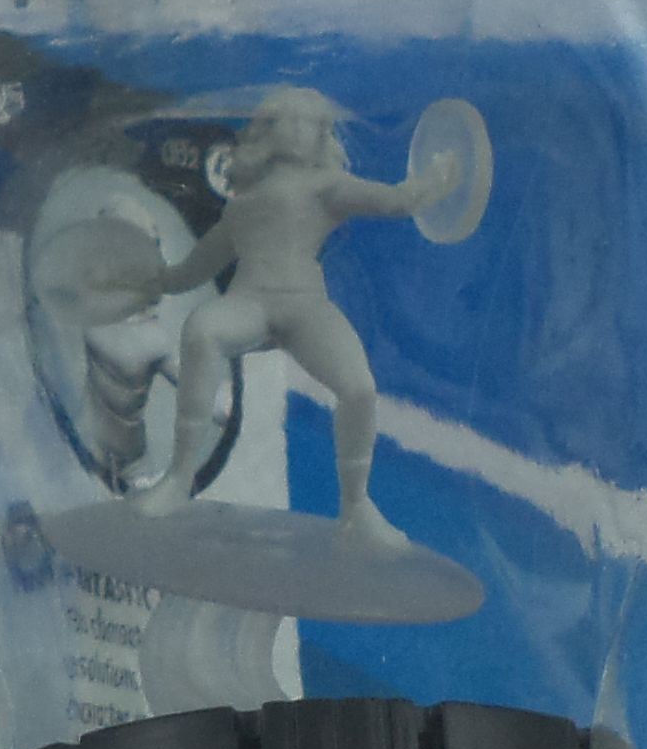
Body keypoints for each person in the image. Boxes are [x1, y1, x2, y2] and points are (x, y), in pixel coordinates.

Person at [132, 86, 461, 544]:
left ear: (322, 134)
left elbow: (395, 201)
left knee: (360, 388)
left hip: (306, 306)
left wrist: (435, 181)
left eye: (309, 122)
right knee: (202, 329)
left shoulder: (326, 186)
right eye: (288, 119)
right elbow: (200, 264)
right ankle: (179, 477)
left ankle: (356, 506)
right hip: (250, 302)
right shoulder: (243, 202)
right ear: (267, 128)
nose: (298, 128)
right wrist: (160, 280)